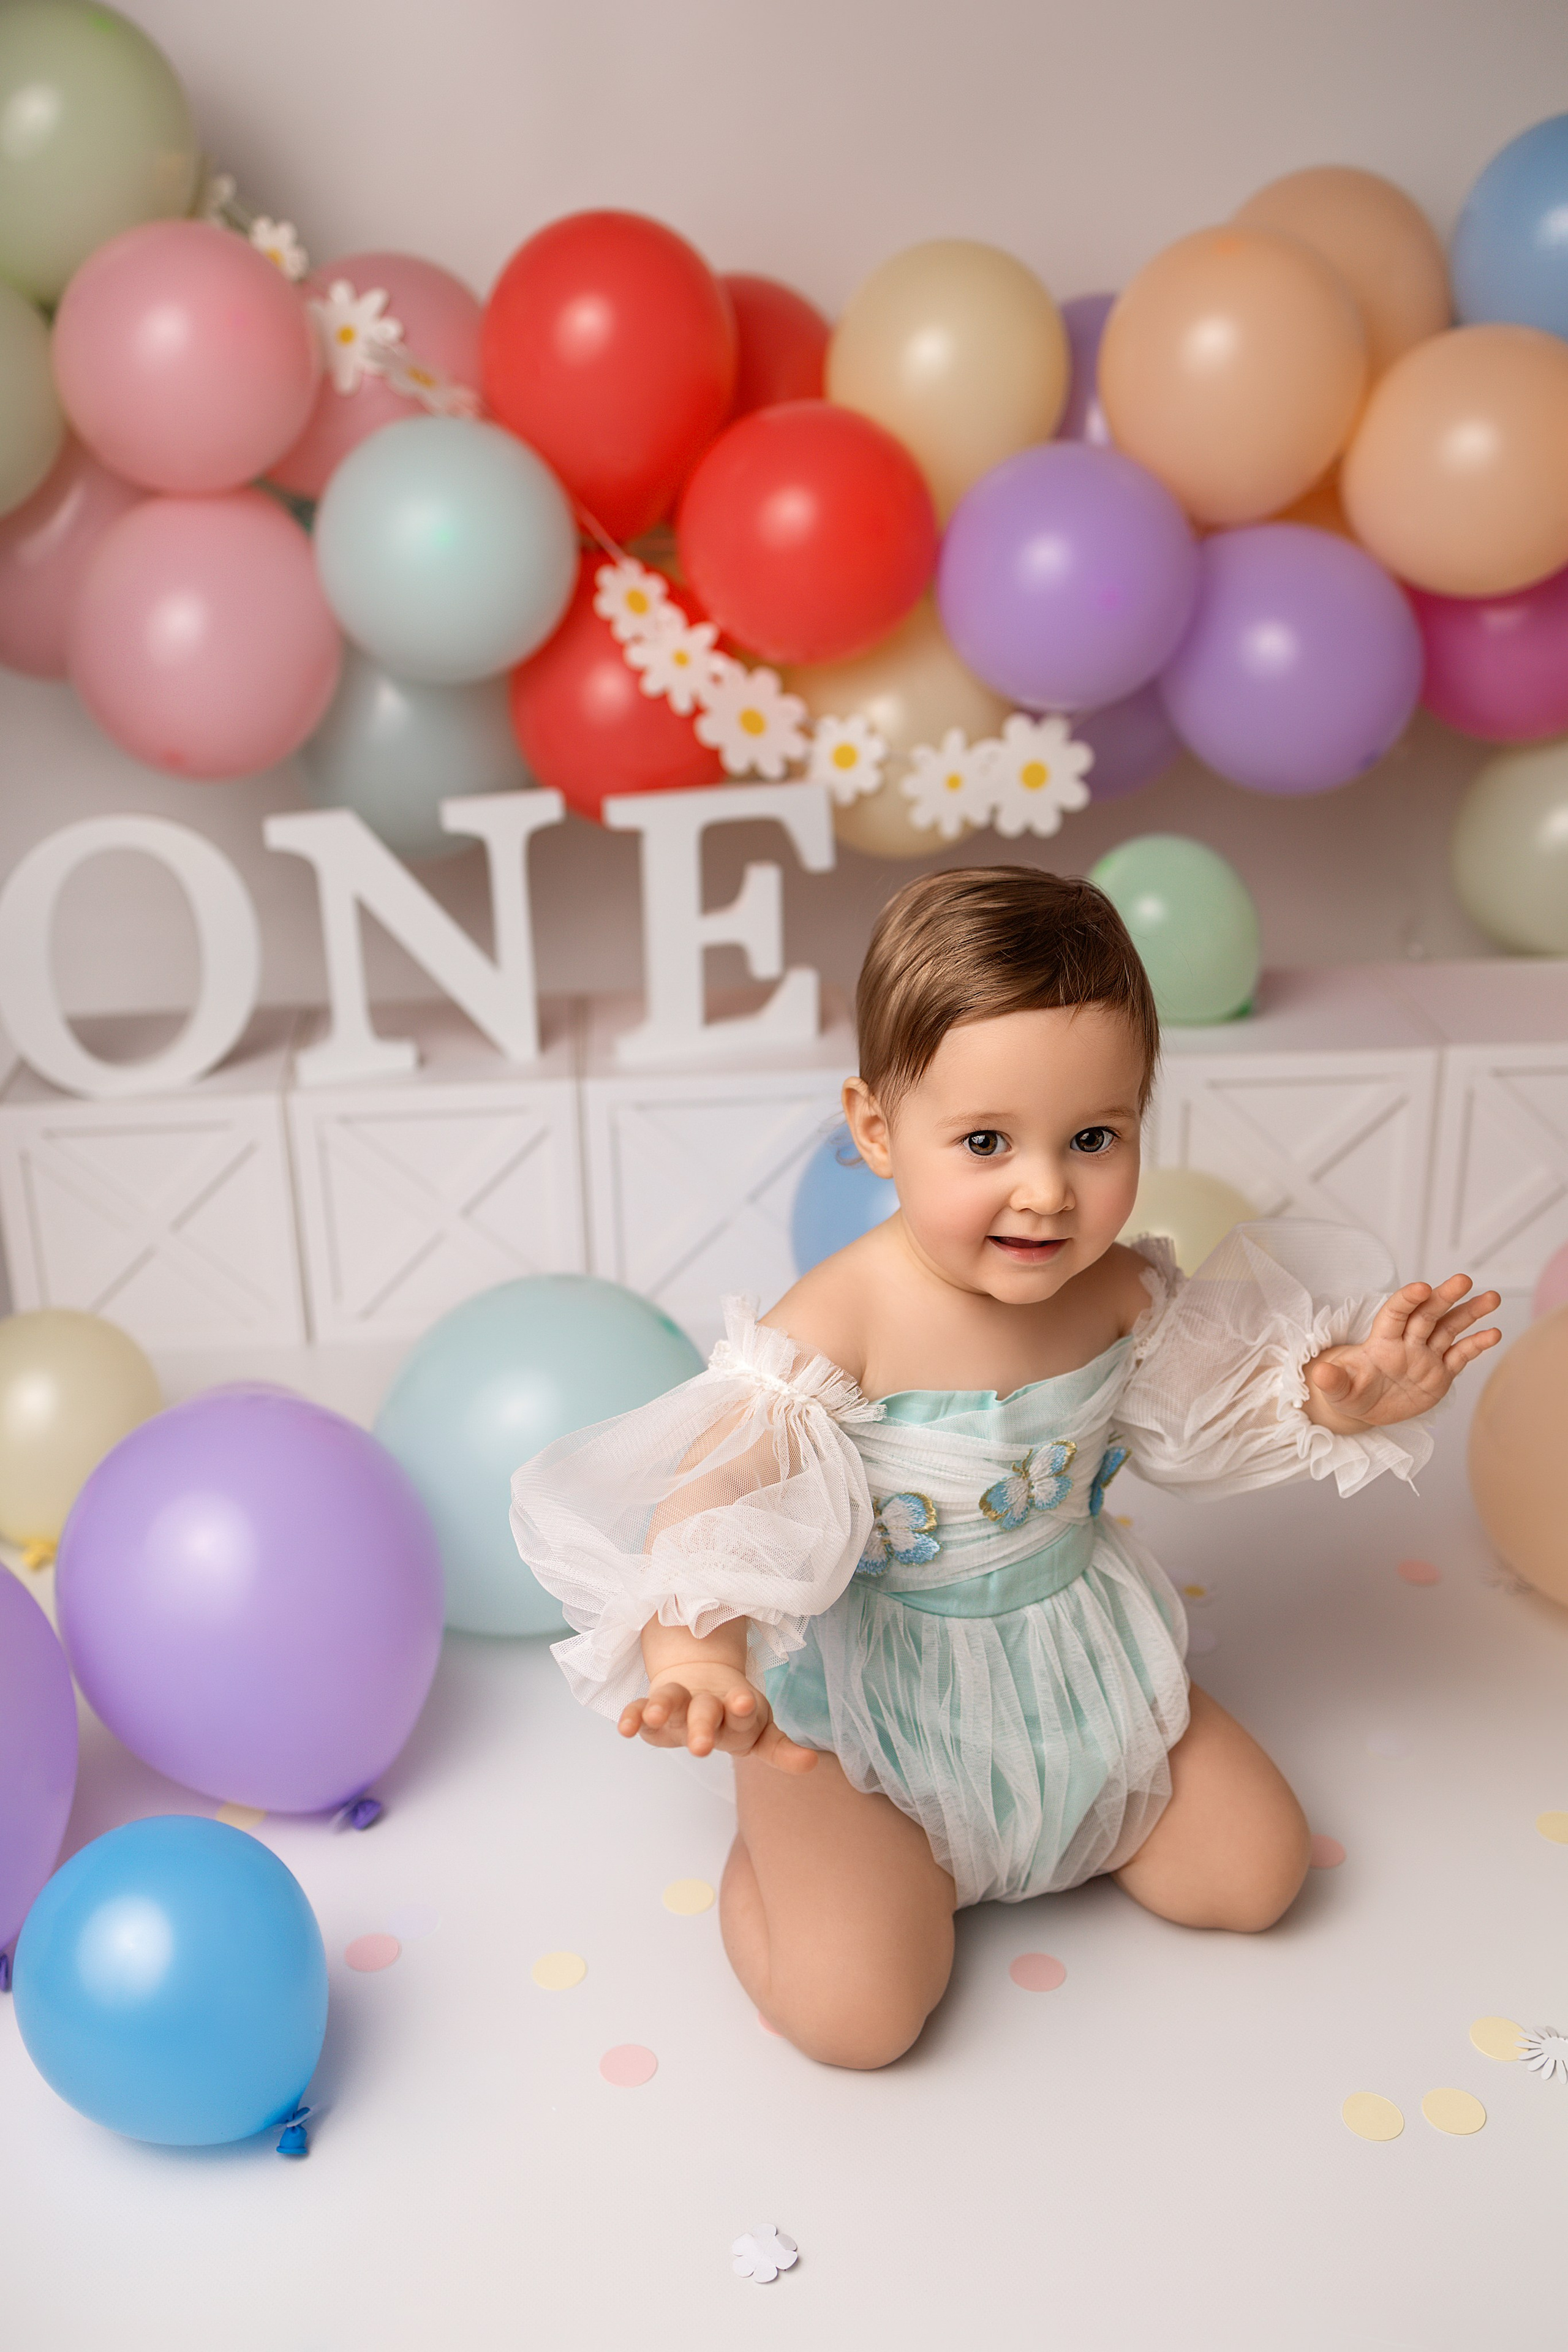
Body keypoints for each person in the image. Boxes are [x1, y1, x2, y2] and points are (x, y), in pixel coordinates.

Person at [511, 867, 1500, 2070]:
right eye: (984, 1141)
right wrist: (695, 1650)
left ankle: (1053, 1821)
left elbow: (1209, 1405)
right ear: (875, 1127)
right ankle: (785, 1839)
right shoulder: (839, 1324)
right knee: (858, 2017)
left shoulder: (1121, 1289)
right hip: (878, 1724)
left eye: (1093, 1137)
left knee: (1254, 1875)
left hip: (1076, 1670)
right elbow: (719, 1486)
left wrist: (1333, 1397)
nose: (1045, 1191)